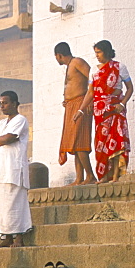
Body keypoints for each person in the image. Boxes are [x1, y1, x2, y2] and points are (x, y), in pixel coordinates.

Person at [74, 40, 133, 182]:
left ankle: (115, 175)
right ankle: (104, 175)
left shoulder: (120, 67)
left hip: (115, 110)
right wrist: (81, 110)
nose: (97, 56)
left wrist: (122, 104)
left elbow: (130, 88)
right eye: (95, 53)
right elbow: (90, 93)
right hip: (100, 113)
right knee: (102, 143)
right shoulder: (94, 70)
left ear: (106, 52)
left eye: (99, 52)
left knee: (116, 141)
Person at [0, 90, 31, 248]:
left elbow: (10, 138)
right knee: (0, 204)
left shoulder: (21, 120)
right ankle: (5, 236)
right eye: (0, 103)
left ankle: (18, 237)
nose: (2, 106)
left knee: (14, 203)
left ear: (14, 104)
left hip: (13, 168)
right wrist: (1, 140)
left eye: (5, 103)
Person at [54, 42, 95, 185]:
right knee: (73, 142)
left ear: (59, 55)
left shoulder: (77, 62)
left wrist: (89, 101)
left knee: (79, 140)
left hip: (81, 104)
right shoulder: (69, 66)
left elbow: (93, 79)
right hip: (71, 106)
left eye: (56, 57)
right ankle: (79, 178)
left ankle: (90, 175)